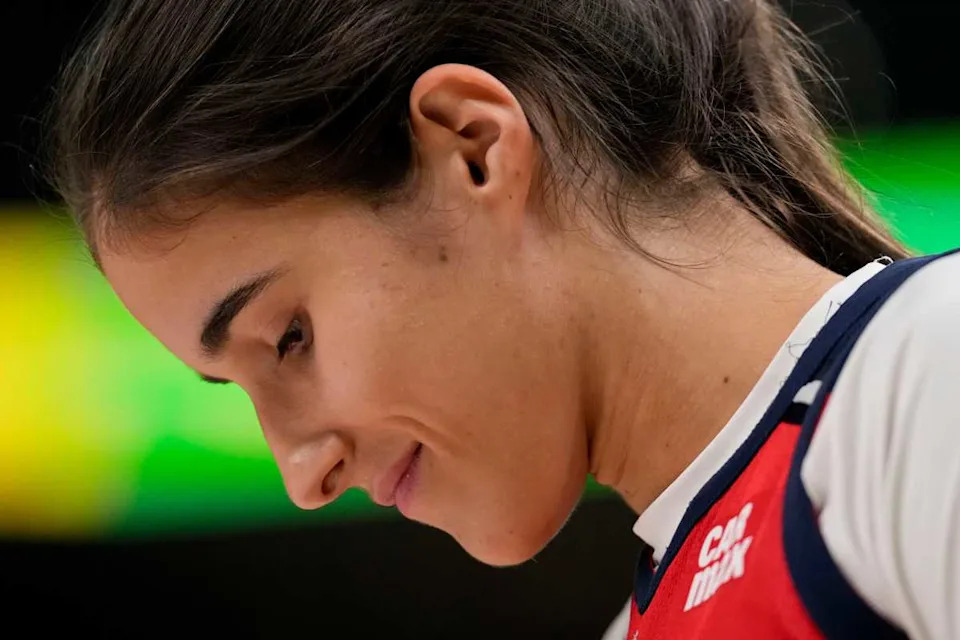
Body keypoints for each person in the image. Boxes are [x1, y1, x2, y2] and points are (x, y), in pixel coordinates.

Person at [47, 1, 960, 638]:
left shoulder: (930, 372)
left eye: (290, 338)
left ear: (474, 150)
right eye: (237, 389)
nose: (303, 473)